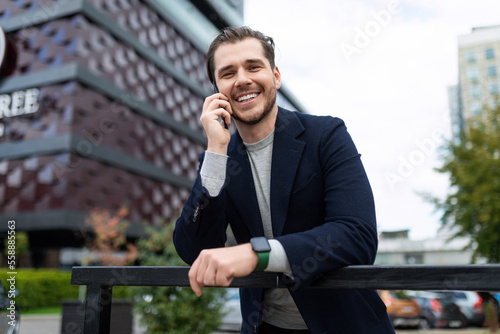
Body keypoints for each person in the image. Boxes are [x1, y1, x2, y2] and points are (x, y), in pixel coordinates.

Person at [173, 26, 394, 334]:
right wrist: (215, 150)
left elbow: (357, 235)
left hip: (344, 325)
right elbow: (193, 251)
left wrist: (256, 254)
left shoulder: (326, 136)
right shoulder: (218, 159)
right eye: (228, 73)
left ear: (275, 76)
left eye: (253, 67)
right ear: (216, 91)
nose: (242, 80)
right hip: (267, 326)